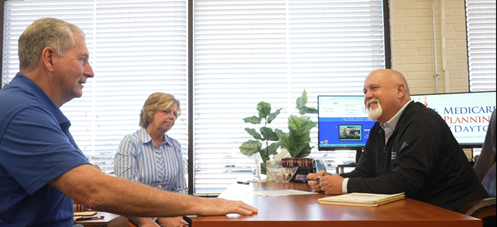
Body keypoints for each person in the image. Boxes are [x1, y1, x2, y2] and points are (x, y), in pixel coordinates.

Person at [0, 18, 257, 227]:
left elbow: (88, 180)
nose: (90, 71)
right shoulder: (20, 110)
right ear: (49, 58)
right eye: (82, 59)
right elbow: (94, 190)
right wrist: (206, 204)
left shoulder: (38, 110)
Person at [307, 69, 488, 212]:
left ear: (400, 90)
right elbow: (365, 172)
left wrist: (344, 185)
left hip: (454, 213)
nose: (367, 96)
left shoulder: (421, 122)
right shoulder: (380, 127)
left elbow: (405, 183)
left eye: (374, 88)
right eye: (365, 91)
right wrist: (330, 181)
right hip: (418, 209)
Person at [115, 92, 189, 227]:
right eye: (167, 111)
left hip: (173, 215)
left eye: (175, 114)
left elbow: (180, 189)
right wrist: (160, 219)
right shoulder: (130, 142)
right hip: (139, 218)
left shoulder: (175, 146)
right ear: (150, 112)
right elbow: (128, 193)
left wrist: (177, 218)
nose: (172, 117)